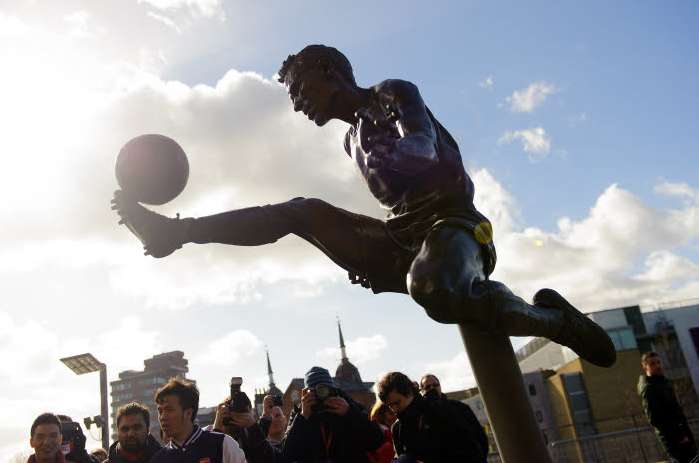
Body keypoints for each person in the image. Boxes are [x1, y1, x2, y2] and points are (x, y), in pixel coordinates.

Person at [112, 44, 615, 369]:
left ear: (330, 72)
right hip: (403, 240)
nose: (296, 102)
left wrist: (384, 165)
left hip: (456, 226)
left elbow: (422, 149)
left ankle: (557, 322)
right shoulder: (349, 140)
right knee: (301, 210)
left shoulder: (390, 94)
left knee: (436, 287)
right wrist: (353, 248)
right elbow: (389, 201)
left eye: (299, 88)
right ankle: (175, 233)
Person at [378, 371, 486, 463]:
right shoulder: (397, 428)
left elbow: (472, 449)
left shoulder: (442, 411)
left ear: (409, 393)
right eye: (390, 405)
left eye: (397, 403)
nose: (394, 409)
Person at [282, 366, 384, 463]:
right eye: (316, 391)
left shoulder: (346, 404)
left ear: (332, 389)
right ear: (307, 393)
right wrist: (303, 417)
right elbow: (287, 455)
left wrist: (349, 413)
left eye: (324, 390)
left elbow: (376, 440)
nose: (321, 395)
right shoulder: (301, 412)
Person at [150, 378, 247, 463]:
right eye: (160, 411)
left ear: (188, 413)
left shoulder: (222, 444)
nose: (162, 417)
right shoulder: (158, 459)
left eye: (169, 410)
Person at [638, 352, 698, 463]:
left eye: (658, 362)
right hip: (675, 441)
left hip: (684, 435)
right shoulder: (649, 388)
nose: (657, 366)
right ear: (645, 367)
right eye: (652, 364)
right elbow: (655, 419)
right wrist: (679, 436)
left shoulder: (664, 382)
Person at [419, 373, 488, 455]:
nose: (432, 388)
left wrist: (479, 456)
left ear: (440, 386)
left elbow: (479, 434)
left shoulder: (460, 407)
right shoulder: (421, 415)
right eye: (427, 387)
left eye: (435, 385)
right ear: (422, 391)